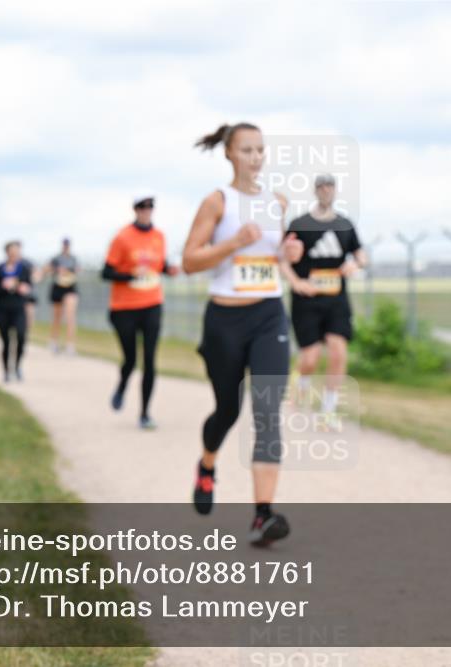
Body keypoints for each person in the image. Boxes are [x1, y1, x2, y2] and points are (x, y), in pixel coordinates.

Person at [182, 122, 304, 546]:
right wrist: (232, 242)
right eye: (247, 150)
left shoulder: (277, 202)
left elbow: (277, 260)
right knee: (227, 411)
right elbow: (190, 261)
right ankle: (207, 463)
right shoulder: (218, 202)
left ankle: (262, 516)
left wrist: (290, 255)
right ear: (230, 155)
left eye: (260, 150)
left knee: (268, 413)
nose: (255, 157)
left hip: (269, 315)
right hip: (225, 321)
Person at [282, 174, 366, 424]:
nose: (326, 190)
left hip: (336, 298)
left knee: (339, 352)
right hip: (307, 300)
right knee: (310, 357)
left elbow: (361, 254)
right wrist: (297, 283)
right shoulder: (299, 224)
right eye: (322, 186)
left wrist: (356, 264)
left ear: (335, 191)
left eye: (330, 186)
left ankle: (328, 410)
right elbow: (283, 259)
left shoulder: (345, 225)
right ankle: (301, 382)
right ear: (315, 190)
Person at [102, 194, 180, 429]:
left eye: (150, 207)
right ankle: (122, 385)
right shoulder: (122, 237)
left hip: (151, 303)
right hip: (124, 307)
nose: (146, 211)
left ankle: (145, 413)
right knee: (131, 359)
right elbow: (106, 272)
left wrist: (169, 269)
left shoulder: (160, 237)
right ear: (135, 210)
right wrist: (130, 275)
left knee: (149, 360)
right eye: (142, 207)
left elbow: (159, 266)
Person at [0, 241, 33, 382]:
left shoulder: (24, 269)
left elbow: (29, 287)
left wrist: (23, 288)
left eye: (17, 252)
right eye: (12, 252)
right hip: (2, 310)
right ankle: (7, 371)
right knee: (6, 342)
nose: (15, 255)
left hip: (18, 309)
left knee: (21, 337)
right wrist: (3, 286)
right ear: (7, 253)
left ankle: (17, 366)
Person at [42, 238, 79, 355]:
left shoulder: (73, 259)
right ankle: (54, 341)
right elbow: (46, 269)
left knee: (70, 316)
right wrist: (56, 269)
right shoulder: (56, 259)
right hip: (58, 287)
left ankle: (70, 345)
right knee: (57, 317)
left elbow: (77, 270)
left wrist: (68, 271)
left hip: (70, 287)